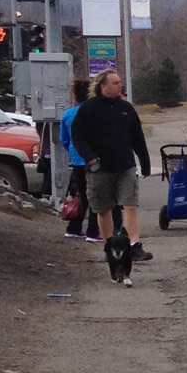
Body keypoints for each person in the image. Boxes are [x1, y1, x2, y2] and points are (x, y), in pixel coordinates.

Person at [72, 68, 153, 262]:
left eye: (120, 82)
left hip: (125, 166)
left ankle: (134, 245)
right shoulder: (88, 109)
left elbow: (137, 137)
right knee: (103, 209)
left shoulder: (126, 108)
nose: (120, 85)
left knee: (130, 204)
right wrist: (90, 158)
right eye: (115, 83)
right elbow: (78, 137)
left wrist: (144, 161)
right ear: (103, 86)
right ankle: (110, 246)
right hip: (99, 168)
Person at [59, 77, 97, 240]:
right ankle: (93, 230)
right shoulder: (94, 113)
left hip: (76, 160)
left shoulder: (68, 114)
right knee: (96, 195)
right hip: (94, 160)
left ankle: (74, 227)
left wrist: (73, 151)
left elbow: (64, 139)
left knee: (79, 195)